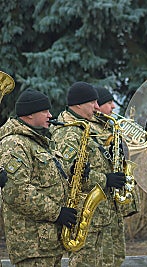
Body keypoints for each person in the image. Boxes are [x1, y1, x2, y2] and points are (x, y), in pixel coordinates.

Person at [50, 82, 127, 266]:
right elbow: (70, 174)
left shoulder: (84, 126)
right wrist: (105, 179)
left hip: (102, 213)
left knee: (109, 261)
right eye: (92, 102)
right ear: (78, 104)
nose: (96, 106)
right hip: (86, 214)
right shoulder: (68, 132)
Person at [0, 89, 76, 266]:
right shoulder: (14, 143)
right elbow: (16, 192)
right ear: (30, 115)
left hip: (47, 242)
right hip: (32, 245)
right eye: (45, 111)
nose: (50, 115)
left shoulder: (37, 141)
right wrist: (57, 213)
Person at [91, 86, 139, 266]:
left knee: (116, 258)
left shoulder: (109, 127)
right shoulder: (92, 129)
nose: (113, 107)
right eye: (108, 103)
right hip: (99, 208)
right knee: (102, 259)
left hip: (112, 207)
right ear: (97, 105)